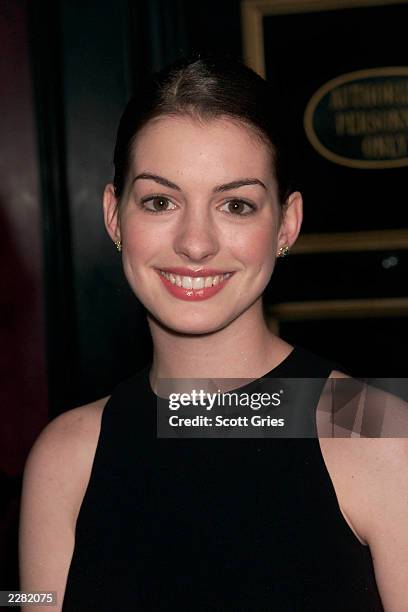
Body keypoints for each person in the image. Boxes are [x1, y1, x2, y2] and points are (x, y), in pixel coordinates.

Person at [19, 56, 408, 611]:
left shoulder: (381, 431)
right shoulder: (64, 455)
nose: (195, 243)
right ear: (113, 215)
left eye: (235, 204)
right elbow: (24, 599)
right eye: (160, 201)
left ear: (286, 223)